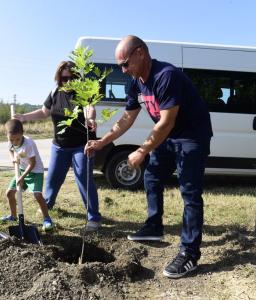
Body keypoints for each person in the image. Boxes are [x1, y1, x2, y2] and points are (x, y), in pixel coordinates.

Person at [85, 35, 213, 278]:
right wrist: (102, 141)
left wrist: (142, 150)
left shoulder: (166, 76)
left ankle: (189, 253)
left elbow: (166, 122)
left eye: (125, 63)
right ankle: (154, 226)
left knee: (190, 192)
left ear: (140, 53)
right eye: (119, 66)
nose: (123, 70)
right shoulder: (136, 82)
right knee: (152, 176)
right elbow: (127, 118)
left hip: (191, 136)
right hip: (168, 137)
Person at [13, 61, 101, 232]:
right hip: (59, 145)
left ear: (77, 77)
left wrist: (90, 118)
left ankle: (94, 218)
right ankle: (48, 205)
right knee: (53, 178)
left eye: (70, 78)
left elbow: (90, 107)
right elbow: (44, 112)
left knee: (84, 178)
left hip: (81, 145)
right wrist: (24, 117)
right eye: (63, 78)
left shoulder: (83, 92)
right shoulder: (55, 92)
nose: (67, 82)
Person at [0, 119, 54, 231]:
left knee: (37, 195)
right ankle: (13, 216)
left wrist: (22, 177)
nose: (15, 142)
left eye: (17, 139)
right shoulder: (11, 140)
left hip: (35, 171)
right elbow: (10, 150)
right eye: (12, 139)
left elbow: (32, 163)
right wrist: (13, 159)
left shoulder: (28, 143)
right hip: (21, 170)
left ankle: (47, 219)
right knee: (9, 193)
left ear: (22, 133)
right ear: (7, 135)